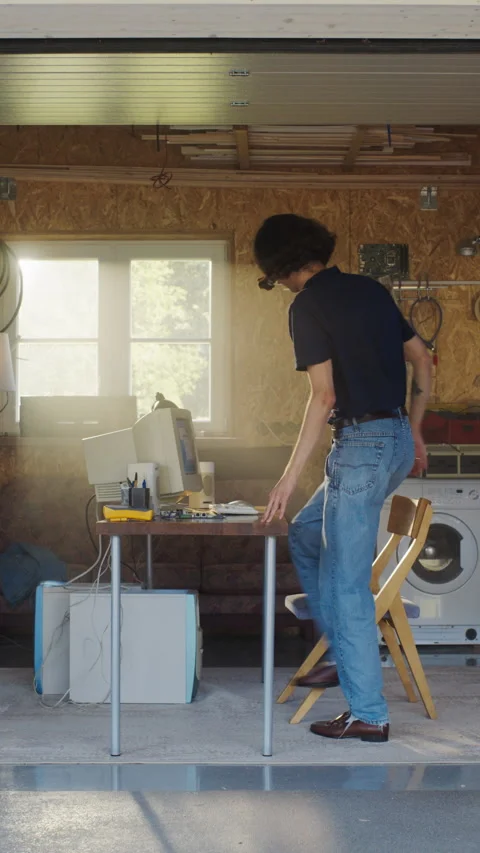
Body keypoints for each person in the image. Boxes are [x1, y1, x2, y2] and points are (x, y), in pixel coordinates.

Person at [254, 214, 432, 743]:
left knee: (345, 584)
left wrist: (287, 479)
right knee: (307, 533)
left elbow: (325, 396)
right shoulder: (371, 290)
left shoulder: (306, 305)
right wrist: (415, 433)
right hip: (394, 441)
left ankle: (368, 714)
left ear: (283, 268)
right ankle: (342, 648)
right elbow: (422, 360)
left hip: (359, 448)